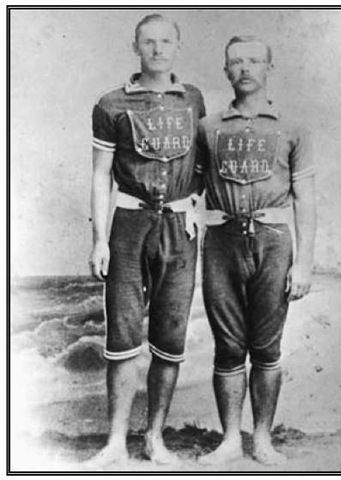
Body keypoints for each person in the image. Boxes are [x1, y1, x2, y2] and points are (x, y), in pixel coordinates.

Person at [88, 14, 205, 468]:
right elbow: (100, 176)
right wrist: (100, 239)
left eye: (165, 42)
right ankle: (116, 442)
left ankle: (155, 438)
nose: (157, 49)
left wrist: (196, 206)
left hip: (179, 228)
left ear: (177, 46)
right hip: (129, 225)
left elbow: (202, 164)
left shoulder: (192, 99)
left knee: (170, 335)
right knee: (121, 334)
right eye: (148, 42)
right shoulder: (111, 103)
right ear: (135, 46)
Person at [196, 36, 316, 465]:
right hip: (223, 242)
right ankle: (230, 439)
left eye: (253, 60)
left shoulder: (292, 127)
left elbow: (305, 197)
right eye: (235, 62)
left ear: (269, 66)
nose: (244, 68)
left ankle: (262, 438)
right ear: (226, 71)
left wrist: (303, 262)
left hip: (273, 241)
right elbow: (189, 187)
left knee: (266, 346)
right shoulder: (208, 128)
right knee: (228, 346)